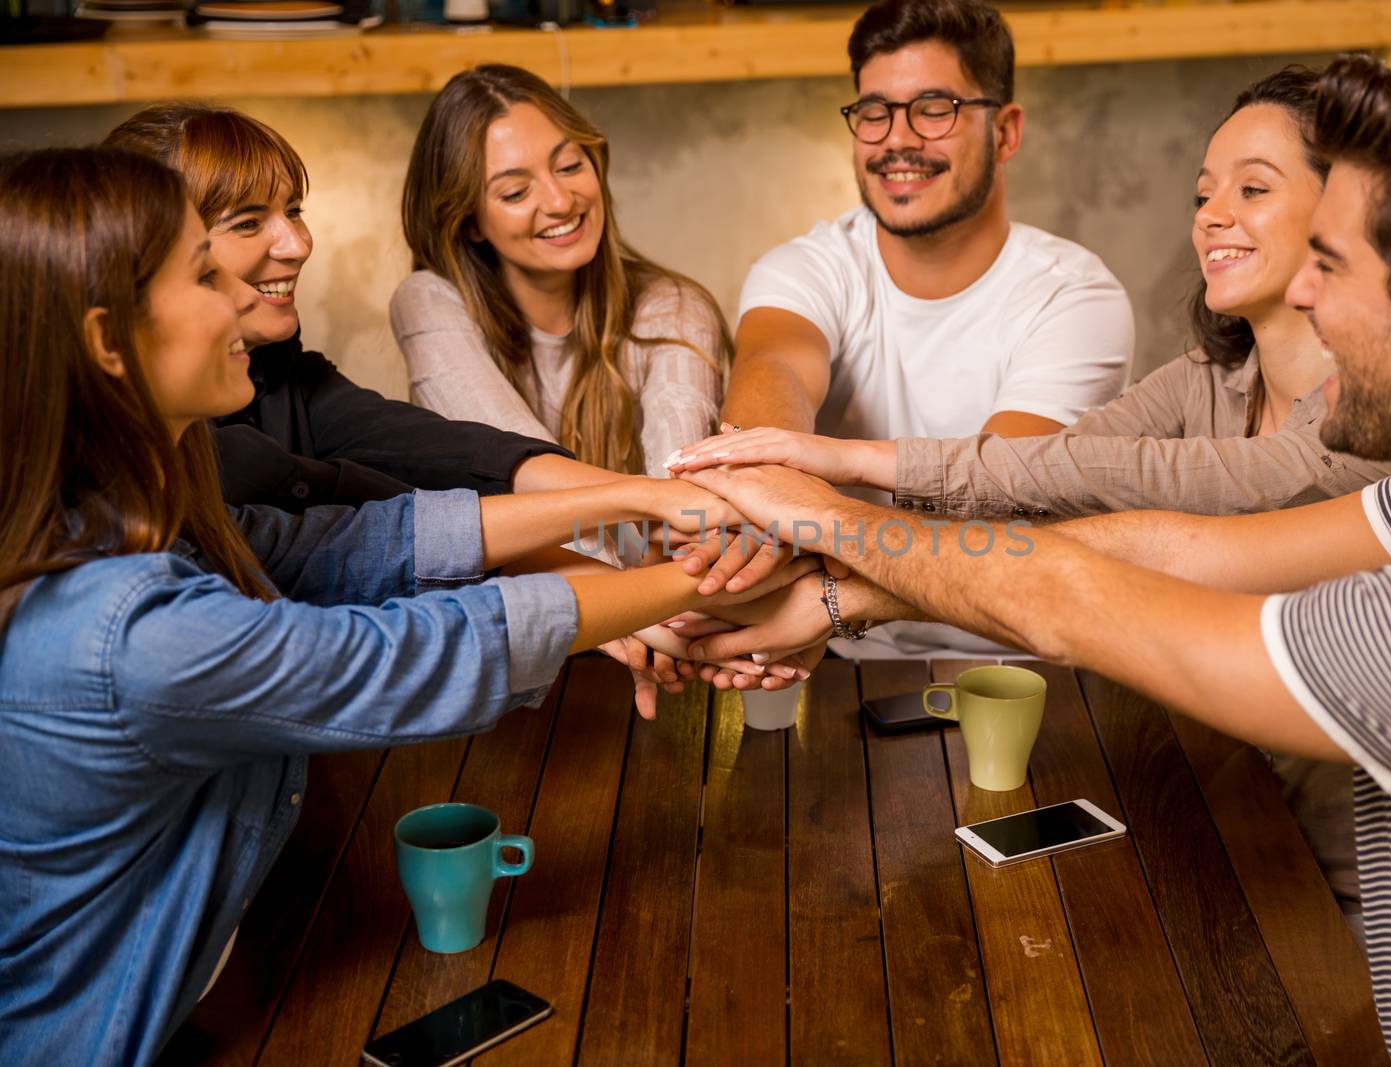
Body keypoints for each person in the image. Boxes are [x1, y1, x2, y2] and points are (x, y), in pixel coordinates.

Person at [679, 47, 1391, 1065]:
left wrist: (828, 519)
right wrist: (833, 597)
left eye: (1332, 265)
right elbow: (1174, 545)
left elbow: (1079, 602)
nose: (1305, 303)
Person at [0, 146, 806, 1067]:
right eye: (204, 272)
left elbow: (353, 546)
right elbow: (395, 655)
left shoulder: (120, 515)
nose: (242, 293)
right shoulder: (125, 630)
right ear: (108, 341)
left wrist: (637, 501)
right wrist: (722, 574)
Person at [671, 67, 1391, 520]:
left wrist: (851, 470)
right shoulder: (1206, 382)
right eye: (1203, 193)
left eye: (1254, 188)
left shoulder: (1385, 412)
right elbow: (1044, 474)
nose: (1209, 215)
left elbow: (1150, 479)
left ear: (1348, 207)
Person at [716, 0, 1132, 655]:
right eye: (874, 111)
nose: (897, 139)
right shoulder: (804, 268)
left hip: (1030, 661)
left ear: (1006, 131)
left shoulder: (1075, 296)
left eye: (934, 108)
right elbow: (772, 381)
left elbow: (996, 504)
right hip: (836, 657)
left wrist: (813, 546)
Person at [102, 103, 623, 514]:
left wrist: (639, 504)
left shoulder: (282, 371)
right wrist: (621, 538)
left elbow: (441, 450)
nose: (298, 244)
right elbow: (379, 532)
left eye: (293, 212)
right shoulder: (161, 441)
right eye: (247, 223)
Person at [391, 64, 727, 479]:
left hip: (655, 545)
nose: (559, 201)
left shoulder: (673, 307)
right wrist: (654, 518)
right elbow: (523, 470)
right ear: (469, 221)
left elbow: (682, 484)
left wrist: (666, 523)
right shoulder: (428, 301)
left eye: (569, 166)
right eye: (515, 192)